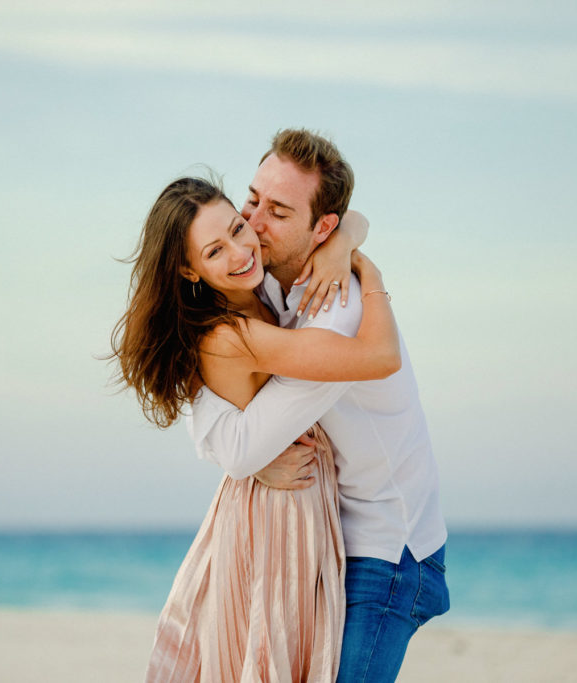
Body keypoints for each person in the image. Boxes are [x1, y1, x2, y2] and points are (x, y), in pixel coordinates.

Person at [110, 173, 402, 681]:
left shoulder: (261, 288)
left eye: (239, 228)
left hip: (299, 498)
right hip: (274, 515)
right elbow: (379, 356)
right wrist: (367, 271)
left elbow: (353, 217)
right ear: (189, 269)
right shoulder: (230, 333)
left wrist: (342, 244)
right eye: (214, 251)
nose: (240, 252)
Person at [186, 129, 449, 683]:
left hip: (389, 553)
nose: (252, 225)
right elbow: (211, 417)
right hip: (330, 541)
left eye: (278, 212)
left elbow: (239, 445)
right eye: (252, 200)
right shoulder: (271, 288)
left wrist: (360, 259)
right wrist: (350, 236)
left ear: (319, 226)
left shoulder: (336, 311)